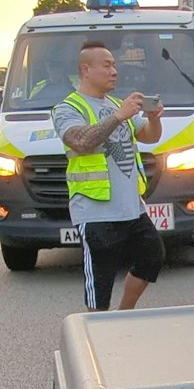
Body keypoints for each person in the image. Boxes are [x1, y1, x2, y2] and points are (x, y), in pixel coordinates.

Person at [53, 40, 166, 312]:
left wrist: (153, 118)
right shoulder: (68, 108)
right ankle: (96, 333)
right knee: (100, 285)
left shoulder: (117, 104)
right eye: (106, 65)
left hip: (131, 208)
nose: (114, 71)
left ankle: (124, 312)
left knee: (153, 256)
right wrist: (117, 116)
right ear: (86, 70)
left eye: (114, 65)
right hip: (96, 212)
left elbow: (149, 137)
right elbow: (81, 141)